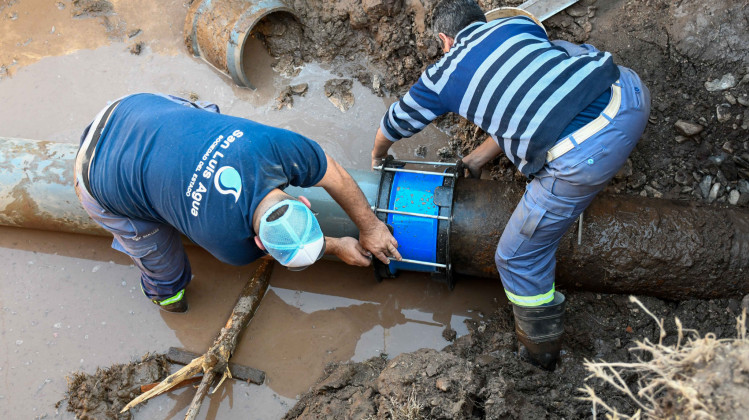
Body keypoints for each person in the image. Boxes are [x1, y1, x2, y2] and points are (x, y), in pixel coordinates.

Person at [371, 0, 650, 370]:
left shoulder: (442, 75)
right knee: (546, 64)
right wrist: (474, 160)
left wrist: (377, 159)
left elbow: (393, 123)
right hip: (629, 89)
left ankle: (541, 359)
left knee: (516, 258)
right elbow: (528, 99)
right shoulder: (514, 28)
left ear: (444, 40)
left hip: (588, 153)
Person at [75, 93, 401, 313]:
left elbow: (335, 174)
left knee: (208, 118)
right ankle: (166, 300)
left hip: (135, 106)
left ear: (305, 200)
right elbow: (336, 176)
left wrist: (370, 227)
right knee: (169, 278)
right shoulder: (229, 245)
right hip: (98, 173)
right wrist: (337, 245)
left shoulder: (277, 147)